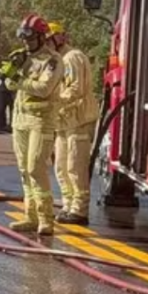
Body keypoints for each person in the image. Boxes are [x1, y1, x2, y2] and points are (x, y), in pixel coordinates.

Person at [3, 14, 63, 235]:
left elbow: (44, 88)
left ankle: (46, 218)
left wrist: (19, 79)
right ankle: (30, 216)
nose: (26, 43)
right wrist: (13, 69)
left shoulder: (53, 60)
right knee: (23, 170)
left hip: (41, 121)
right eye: (23, 39)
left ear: (41, 37)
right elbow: (9, 84)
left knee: (35, 168)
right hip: (20, 120)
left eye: (30, 38)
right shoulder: (23, 57)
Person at [50, 21, 100, 225]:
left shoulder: (72, 58)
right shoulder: (56, 60)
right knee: (61, 166)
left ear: (59, 38)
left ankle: (79, 210)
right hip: (63, 121)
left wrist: (51, 101)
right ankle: (68, 204)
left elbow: (75, 89)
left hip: (78, 119)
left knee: (75, 165)